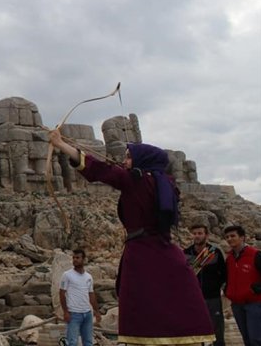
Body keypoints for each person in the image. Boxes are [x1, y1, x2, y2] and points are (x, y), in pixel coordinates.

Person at [49, 130, 214, 344]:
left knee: (141, 308)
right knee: (174, 306)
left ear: (142, 160)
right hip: (167, 253)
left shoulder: (136, 180)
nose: (125, 161)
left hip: (142, 255)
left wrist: (60, 143)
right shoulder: (167, 184)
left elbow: (99, 170)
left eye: (129, 156)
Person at [183, 224, 227, 346]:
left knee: (217, 328)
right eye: (194, 233)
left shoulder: (214, 252)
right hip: (194, 298)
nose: (197, 236)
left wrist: (216, 286)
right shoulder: (186, 253)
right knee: (197, 327)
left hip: (212, 297)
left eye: (200, 233)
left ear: (206, 235)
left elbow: (223, 273)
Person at [223, 225, 261, 346]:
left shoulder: (256, 255)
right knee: (246, 339)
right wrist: (227, 290)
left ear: (242, 237)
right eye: (227, 237)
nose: (230, 239)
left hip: (255, 303)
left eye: (233, 236)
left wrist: (257, 289)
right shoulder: (229, 258)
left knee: (257, 339)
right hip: (237, 304)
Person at [59, 249, 101, 346]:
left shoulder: (88, 277)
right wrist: (65, 311)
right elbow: (61, 293)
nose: (75, 260)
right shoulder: (67, 275)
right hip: (73, 314)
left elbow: (91, 294)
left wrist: (97, 312)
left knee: (88, 342)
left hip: (87, 314)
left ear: (83, 259)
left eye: (77, 258)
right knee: (72, 342)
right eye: (73, 258)